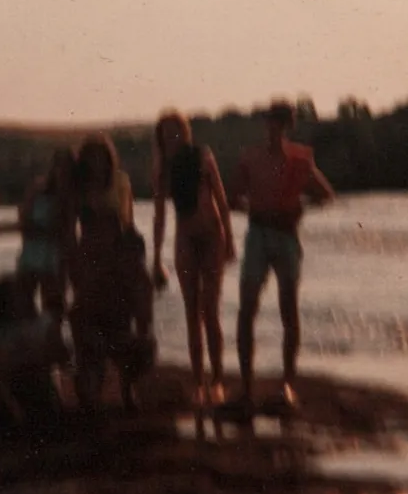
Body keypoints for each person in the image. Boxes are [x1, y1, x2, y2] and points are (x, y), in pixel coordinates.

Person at [230, 101, 335, 412]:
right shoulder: (250, 158)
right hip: (259, 233)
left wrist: (301, 206)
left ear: (286, 126)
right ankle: (247, 387)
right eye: (270, 121)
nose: (273, 127)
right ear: (266, 124)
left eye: (279, 122)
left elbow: (326, 194)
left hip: (286, 235)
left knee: (288, 308)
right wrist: (253, 208)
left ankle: (287, 384)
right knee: (247, 307)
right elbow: (231, 197)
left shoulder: (299, 159)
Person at [153, 110, 235, 407]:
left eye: (175, 131)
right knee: (192, 313)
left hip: (212, 236)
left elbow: (221, 200)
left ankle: (218, 381)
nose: (171, 137)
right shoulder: (163, 167)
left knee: (210, 310)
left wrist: (230, 240)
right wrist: (156, 257)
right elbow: (160, 214)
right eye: (165, 133)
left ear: (184, 132)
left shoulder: (202, 156)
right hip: (186, 239)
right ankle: (199, 382)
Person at [70, 133, 155, 412]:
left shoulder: (120, 182)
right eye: (91, 158)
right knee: (85, 323)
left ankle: (128, 386)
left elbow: (127, 223)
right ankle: (91, 386)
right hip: (89, 257)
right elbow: (69, 226)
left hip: (117, 257)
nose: (96, 164)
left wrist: (132, 257)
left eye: (101, 158)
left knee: (126, 325)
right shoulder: (78, 186)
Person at [0, 274, 70, 425]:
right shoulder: (38, 327)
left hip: (14, 397)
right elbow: (62, 358)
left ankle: (9, 408)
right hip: (43, 395)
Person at [16, 147, 78, 320]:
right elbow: (25, 221)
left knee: (54, 311)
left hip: (56, 259)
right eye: (59, 166)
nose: (62, 172)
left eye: (67, 168)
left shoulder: (70, 198)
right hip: (31, 255)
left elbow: (69, 233)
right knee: (24, 307)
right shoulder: (38, 188)